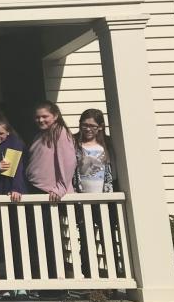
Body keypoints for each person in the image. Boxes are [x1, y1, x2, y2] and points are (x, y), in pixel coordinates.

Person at [25, 101, 77, 281]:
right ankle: (43, 279)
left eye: (45, 116)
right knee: (38, 237)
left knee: (49, 238)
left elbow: (68, 161)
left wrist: (61, 187)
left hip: (49, 193)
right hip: (35, 189)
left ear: (55, 115)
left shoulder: (60, 132)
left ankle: (54, 282)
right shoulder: (41, 135)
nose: (40, 120)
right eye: (38, 117)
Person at [73, 108, 120, 279]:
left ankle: (113, 275)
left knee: (108, 237)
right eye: (84, 125)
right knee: (86, 239)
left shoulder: (107, 144)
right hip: (82, 198)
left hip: (105, 199)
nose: (87, 129)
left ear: (100, 127)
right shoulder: (74, 143)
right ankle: (89, 275)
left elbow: (114, 170)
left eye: (92, 126)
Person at [0, 113, 28, 294]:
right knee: (4, 242)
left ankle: (21, 285)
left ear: (8, 132)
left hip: (13, 197)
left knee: (18, 241)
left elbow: (16, 171)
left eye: (0, 133)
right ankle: (9, 283)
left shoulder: (14, 144)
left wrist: (17, 189)